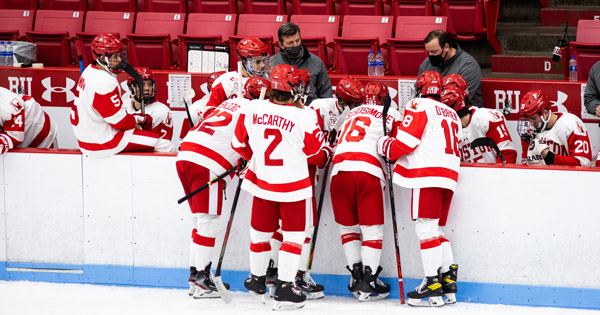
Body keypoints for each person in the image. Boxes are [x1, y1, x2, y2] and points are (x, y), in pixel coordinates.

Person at [231, 64, 325, 310]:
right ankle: (285, 286)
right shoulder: (303, 115)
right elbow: (315, 152)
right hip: (293, 187)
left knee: (260, 234)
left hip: (261, 182)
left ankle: (257, 278)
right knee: (294, 237)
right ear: (292, 88)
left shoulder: (252, 108)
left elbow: (237, 143)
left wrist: (254, 156)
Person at [176, 76, 271, 299]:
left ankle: (195, 274)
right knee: (208, 220)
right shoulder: (256, 109)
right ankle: (203, 277)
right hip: (206, 162)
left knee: (200, 220)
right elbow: (248, 144)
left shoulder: (229, 103)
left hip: (185, 155)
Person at [377, 71, 461, 307]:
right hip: (450, 177)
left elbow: (406, 143)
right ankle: (448, 284)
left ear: (420, 88)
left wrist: (385, 145)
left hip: (428, 175)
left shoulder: (418, 104)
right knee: (437, 230)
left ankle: (432, 286)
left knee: (426, 230)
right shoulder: (452, 113)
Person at [329, 82, 400, 302]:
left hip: (338, 171)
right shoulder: (393, 113)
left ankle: (356, 276)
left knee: (348, 228)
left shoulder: (351, 113)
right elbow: (397, 149)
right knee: (372, 231)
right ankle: (369, 282)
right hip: (367, 171)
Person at [71, 33, 174, 157]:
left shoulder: (89, 71)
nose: (119, 60)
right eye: (115, 56)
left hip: (88, 138)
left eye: (119, 55)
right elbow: (119, 122)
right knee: (166, 146)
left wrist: (134, 119)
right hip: (103, 142)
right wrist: (136, 123)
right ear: (102, 57)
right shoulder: (103, 81)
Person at [440, 74, 517, 164]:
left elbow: (507, 153)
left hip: (492, 175)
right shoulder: (443, 127)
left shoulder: (486, 118)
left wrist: (497, 176)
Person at [518, 90, 592, 166]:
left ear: (545, 113)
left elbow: (583, 163)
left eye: (533, 118)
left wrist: (549, 156)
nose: (531, 123)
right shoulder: (530, 131)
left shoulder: (570, 124)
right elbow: (526, 164)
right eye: (528, 119)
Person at [270, 22, 333, 105]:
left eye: (297, 40)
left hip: (310, 111)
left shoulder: (317, 62)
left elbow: (326, 97)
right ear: (281, 45)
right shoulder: (272, 63)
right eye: (290, 43)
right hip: (282, 112)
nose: (295, 45)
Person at [205, 37, 271, 116]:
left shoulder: (267, 81)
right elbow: (209, 113)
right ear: (244, 61)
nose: (262, 65)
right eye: (257, 61)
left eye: (263, 60)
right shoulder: (225, 81)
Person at [417, 30, 483, 107]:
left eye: (434, 52)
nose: (430, 55)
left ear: (446, 47)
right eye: (428, 52)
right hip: (432, 110)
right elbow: (419, 93)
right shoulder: (427, 63)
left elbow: (459, 100)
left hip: (463, 113)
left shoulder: (468, 65)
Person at [0, 87, 57, 154]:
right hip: (13, 129)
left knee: (49, 162)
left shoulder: (9, 105)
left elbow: (15, 138)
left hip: (39, 131)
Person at [124, 67, 173, 141]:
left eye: (149, 84)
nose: (147, 88)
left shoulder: (162, 111)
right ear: (132, 87)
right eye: (142, 84)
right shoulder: (123, 105)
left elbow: (156, 145)